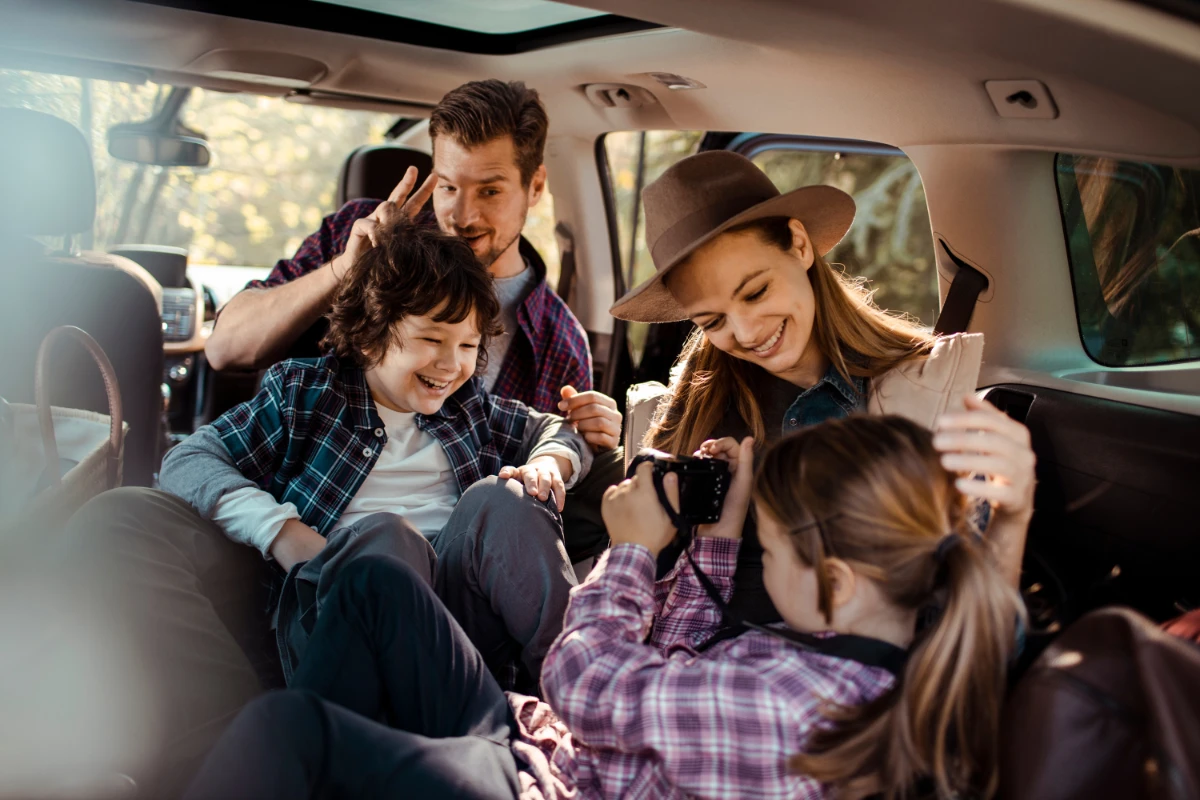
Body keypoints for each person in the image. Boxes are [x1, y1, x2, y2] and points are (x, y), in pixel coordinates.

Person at [181, 414, 1028, 800]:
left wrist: (632, 552)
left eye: (772, 551)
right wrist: (722, 537)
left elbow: (584, 684)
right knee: (376, 583)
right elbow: (679, 672)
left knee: (285, 728)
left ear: (837, 581)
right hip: (558, 750)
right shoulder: (877, 646)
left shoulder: (784, 709)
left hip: (553, 783)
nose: (764, 565)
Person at [64, 220, 590, 797]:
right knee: (386, 540)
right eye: (431, 339)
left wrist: (550, 462)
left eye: (468, 346)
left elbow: (557, 430)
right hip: (340, 617)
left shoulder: (470, 409)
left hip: (453, 637)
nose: (452, 364)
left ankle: (587, 695)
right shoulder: (307, 394)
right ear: (370, 335)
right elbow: (189, 460)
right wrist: (284, 533)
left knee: (505, 499)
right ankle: (318, 752)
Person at [205, 78, 623, 562]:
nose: (462, 215)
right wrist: (344, 270)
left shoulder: (559, 338)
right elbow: (224, 348)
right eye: (448, 186)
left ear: (535, 187)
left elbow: (543, 496)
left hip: (457, 566)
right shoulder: (363, 236)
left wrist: (584, 436)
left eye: (489, 191)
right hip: (311, 537)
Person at [613, 150, 1036, 625]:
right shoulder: (696, 405)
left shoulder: (925, 393)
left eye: (756, 292)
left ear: (799, 245)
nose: (747, 333)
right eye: (713, 322)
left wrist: (1011, 517)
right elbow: (647, 596)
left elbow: (974, 631)